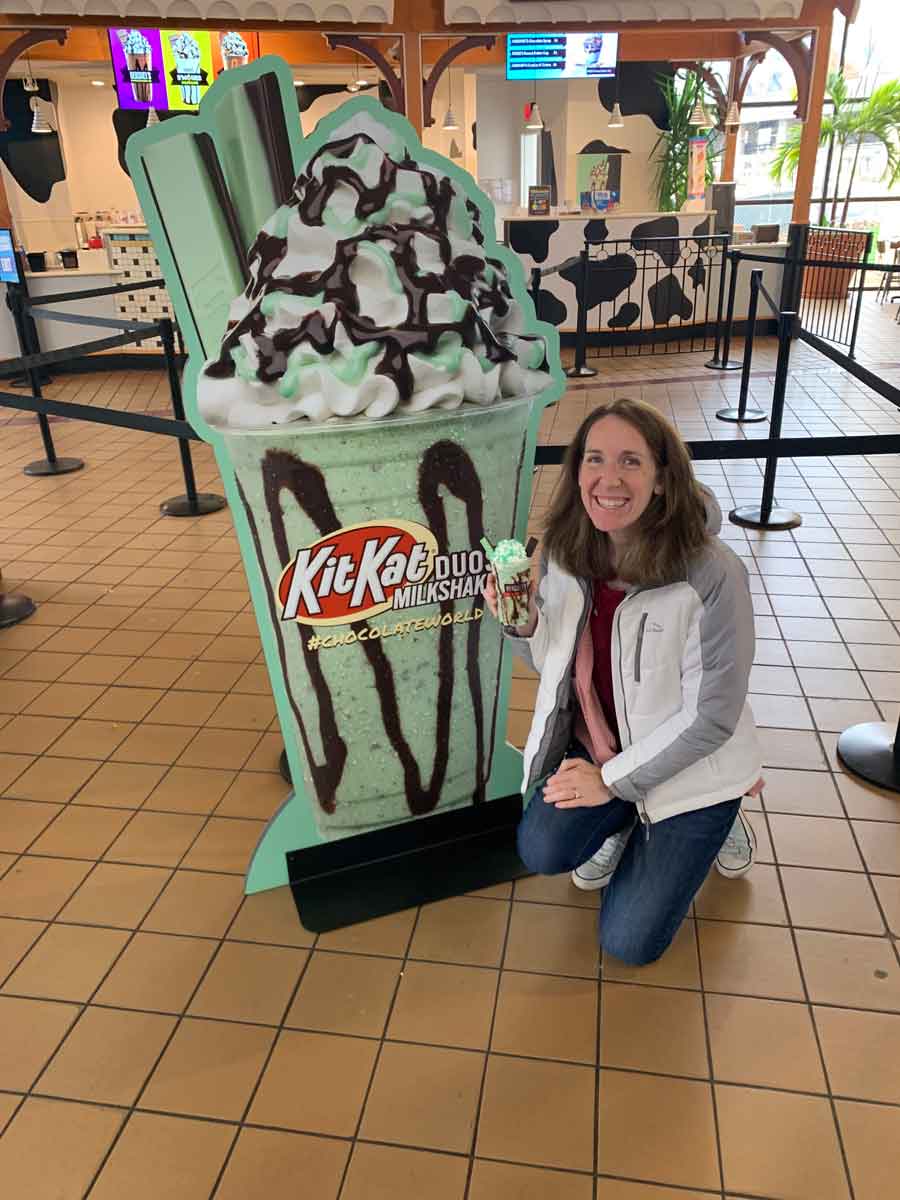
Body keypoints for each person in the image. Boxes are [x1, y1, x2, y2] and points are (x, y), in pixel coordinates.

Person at [483, 398, 763, 966]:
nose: (608, 479)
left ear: (662, 479)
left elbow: (711, 717)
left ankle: (721, 817)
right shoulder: (567, 552)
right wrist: (523, 623)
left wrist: (609, 781)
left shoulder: (711, 572)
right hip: (605, 752)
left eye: (631, 461)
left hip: (690, 770)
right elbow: (554, 667)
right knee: (541, 847)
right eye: (594, 459)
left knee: (629, 943)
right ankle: (620, 823)